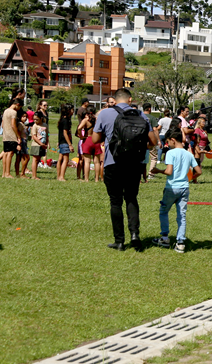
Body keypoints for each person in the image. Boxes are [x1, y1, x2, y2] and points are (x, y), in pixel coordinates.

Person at [92, 88, 158, 251]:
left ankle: (119, 241)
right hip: (134, 163)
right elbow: (152, 141)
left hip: (112, 162)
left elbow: (95, 139)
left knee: (115, 202)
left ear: (114, 99)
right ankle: (135, 234)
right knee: (131, 198)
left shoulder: (105, 114)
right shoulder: (140, 115)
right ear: (129, 99)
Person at [151, 129, 202, 253]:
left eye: (168, 142)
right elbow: (199, 171)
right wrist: (189, 179)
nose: (168, 144)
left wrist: (157, 171)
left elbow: (169, 171)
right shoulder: (189, 154)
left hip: (171, 187)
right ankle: (180, 243)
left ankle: (164, 238)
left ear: (173, 140)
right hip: (184, 187)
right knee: (181, 215)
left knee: (164, 211)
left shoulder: (170, 153)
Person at [78, 106, 102, 182]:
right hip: (96, 140)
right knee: (97, 162)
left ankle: (86, 179)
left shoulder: (86, 120)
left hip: (87, 140)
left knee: (87, 161)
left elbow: (79, 128)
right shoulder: (97, 120)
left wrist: (81, 136)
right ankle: (97, 179)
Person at [2, 99, 23, 179]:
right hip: (11, 135)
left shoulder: (5, 111)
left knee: (6, 153)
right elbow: (13, 125)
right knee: (10, 154)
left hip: (5, 136)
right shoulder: (13, 112)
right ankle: (8, 173)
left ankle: (4, 173)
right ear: (17, 104)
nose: (19, 109)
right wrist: (18, 136)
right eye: (20, 107)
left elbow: (3, 124)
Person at [56, 104, 74, 182]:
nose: (73, 111)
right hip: (65, 142)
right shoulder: (66, 120)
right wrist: (70, 144)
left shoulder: (62, 119)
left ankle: (58, 176)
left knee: (60, 159)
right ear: (68, 111)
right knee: (65, 160)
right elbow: (65, 133)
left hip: (61, 141)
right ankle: (62, 177)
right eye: (72, 110)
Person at [29, 111, 48, 180]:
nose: (35, 121)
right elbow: (34, 136)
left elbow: (47, 134)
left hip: (42, 145)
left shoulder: (45, 125)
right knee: (35, 160)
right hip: (36, 145)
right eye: (34, 119)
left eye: (37, 119)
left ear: (41, 118)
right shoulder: (35, 126)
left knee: (38, 160)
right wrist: (41, 144)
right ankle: (34, 176)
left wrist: (47, 143)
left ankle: (35, 175)